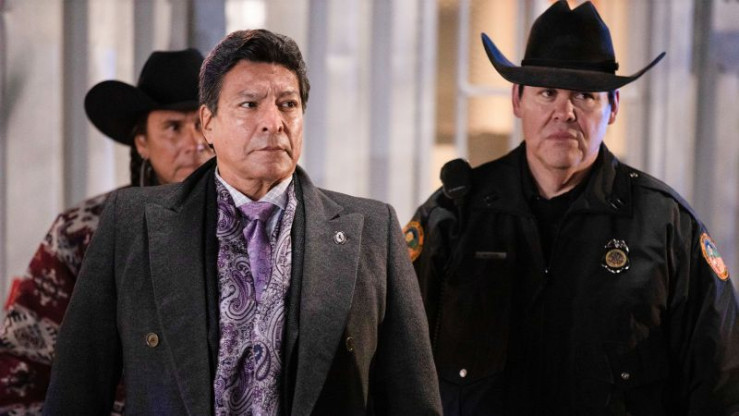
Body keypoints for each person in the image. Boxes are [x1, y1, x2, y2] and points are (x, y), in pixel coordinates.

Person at [42, 29, 442, 415]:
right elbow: (76, 393)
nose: (273, 122)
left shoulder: (372, 230)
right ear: (209, 123)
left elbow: (412, 400)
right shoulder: (129, 224)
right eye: (249, 105)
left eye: (288, 104)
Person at [406, 1, 739, 415]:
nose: (564, 113)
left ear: (613, 107)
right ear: (517, 100)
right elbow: (397, 368)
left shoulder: (665, 227)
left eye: (584, 95)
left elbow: (722, 387)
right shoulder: (453, 217)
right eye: (547, 93)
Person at [0, 48, 213, 415]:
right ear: (142, 143)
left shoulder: (250, 225)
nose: (193, 142)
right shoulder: (82, 231)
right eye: (173, 127)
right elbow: (21, 367)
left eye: (202, 124)